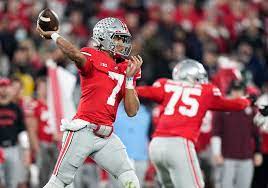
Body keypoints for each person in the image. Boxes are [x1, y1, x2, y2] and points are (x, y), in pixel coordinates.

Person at [36, 16, 143, 188]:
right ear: (103, 37)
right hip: (83, 131)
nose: (123, 44)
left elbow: (132, 111)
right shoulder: (93, 55)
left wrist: (129, 80)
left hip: (106, 136)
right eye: (117, 38)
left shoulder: (126, 68)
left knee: (129, 178)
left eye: (124, 39)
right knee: (58, 182)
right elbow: (75, 55)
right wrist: (55, 35)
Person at [136, 59, 250, 188]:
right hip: (179, 143)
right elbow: (231, 105)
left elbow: (142, 91)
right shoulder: (206, 90)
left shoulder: (166, 85)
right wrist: (247, 101)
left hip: (156, 145)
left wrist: (127, 84)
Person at [211, 81, 262, 188]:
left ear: (244, 92)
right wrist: (216, 152)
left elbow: (256, 134)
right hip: (227, 157)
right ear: (231, 91)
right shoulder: (223, 110)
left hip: (246, 157)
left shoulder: (251, 111)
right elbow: (216, 133)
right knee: (225, 185)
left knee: (244, 185)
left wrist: (258, 152)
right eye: (235, 90)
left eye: (240, 91)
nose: (237, 93)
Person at [0, 77, 25, 188]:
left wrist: (26, 152)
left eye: (6, 87)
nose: (4, 90)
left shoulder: (16, 108)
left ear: (10, 89)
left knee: (12, 183)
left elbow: (22, 132)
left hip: (13, 148)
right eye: (1, 87)